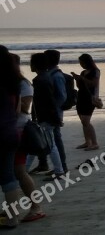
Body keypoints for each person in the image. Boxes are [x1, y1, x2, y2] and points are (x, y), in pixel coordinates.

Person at [10, 54, 45, 222]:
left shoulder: (23, 84)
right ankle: (14, 209)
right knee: (14, 172)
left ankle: (35, 207)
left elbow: (25, 108)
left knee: (19, 171)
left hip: (18, 130)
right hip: (9, 130)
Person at [28, 53, 64, 180]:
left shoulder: (40, 80)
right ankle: (23, 170)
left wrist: (54, 119)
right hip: (46, 118)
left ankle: (59, 171)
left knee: (50, 145)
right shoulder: (45, 78)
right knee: (39, 144)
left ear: (36, 65)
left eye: (31, 63)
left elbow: (48, 102)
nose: (29, 65)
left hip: (45, 119)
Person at [0, 46, 25, 229]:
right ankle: (13, 217)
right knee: (8, 176)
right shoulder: (14, 83)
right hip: (11, 133)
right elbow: (17, 111)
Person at [43, 50, 67, 173]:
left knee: (56, 139)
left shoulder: (56, 75)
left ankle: (62, 166)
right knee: (54, 138)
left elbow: (62, 97)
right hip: (53, 112)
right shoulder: (51, 73)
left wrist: (53, 108)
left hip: (54, 113)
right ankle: (59, 166)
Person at [73, 53, 100, 150]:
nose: (81, 65)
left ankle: (95, 143)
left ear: (87, 62)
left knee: (86, 121)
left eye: (82, 62)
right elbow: (80, 86)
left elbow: (94, 84)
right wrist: (77, 79)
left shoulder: (95, 71)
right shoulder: (83, 72)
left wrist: (82, 79)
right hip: (81, 96)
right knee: (83, 121)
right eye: (80, 63)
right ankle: (87, 141)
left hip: (91, 97)